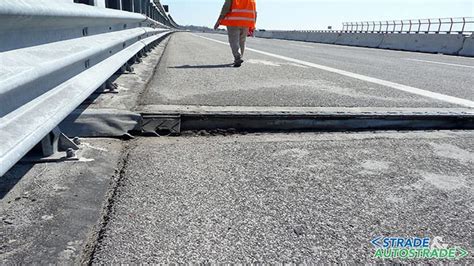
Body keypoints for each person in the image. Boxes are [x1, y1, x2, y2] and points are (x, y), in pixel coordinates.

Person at [214, 0, 257, 67]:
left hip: (233, 21)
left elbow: (226, 8)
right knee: (242, 41)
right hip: (246, 22)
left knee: (234, 41)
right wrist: (253, 25)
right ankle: (240, 57)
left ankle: (237, 57)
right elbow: (255, 12)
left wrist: (218, 21)